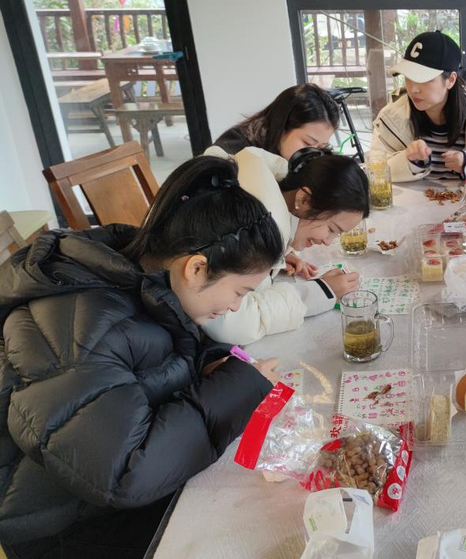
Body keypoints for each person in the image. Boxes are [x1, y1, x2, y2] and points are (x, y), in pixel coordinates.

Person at [0, 156, 285, 558]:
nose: (237, 307)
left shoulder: (145, 276)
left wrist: (214, 367)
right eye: (240, 292)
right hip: (66, 526)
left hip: (106, 494)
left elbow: (169, 352)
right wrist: (236, 388)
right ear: (197, 268)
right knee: (255, 528)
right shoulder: (78, 325)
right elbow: (125, 472)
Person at [201, 146, 370, 345]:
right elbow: (232, 323)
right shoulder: (252, 227)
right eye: (332, 229)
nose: (327, 241)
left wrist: (282, 252)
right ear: (304, 199)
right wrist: (320, 290)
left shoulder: (259, 203)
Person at [370, 30, 466, 186]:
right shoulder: (392, 117)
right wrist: (409, 162)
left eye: (424, 79)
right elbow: (374, 169)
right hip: (412, 204)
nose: (413, 89)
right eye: (408, 78)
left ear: (451, 80)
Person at [213, 83, 340, 159]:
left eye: (321, 146)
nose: (314, 154)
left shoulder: (314, 157)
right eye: (308, 143)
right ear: (281, 126)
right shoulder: (236, 151)